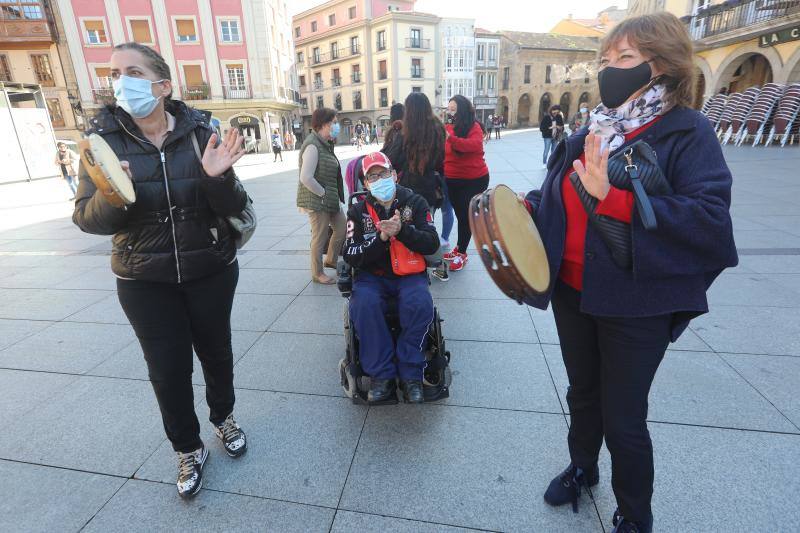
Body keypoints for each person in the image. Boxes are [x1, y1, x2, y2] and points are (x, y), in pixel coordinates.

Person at [522, 13, 737, 533]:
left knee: (624, 418)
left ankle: (635, 514)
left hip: (636, 303)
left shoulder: (688, 131)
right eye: (605, 59)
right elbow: (558, 191)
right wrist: (530, 208)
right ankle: (582, 467)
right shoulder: (592, 126)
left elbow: (710, 220)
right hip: (573, 289)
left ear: (660, 65)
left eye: (624, 59)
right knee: (582, 393)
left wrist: (615, 200)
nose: (609, 70)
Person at [72, 42, 249, 499]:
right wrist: (113, 194)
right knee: (167, 370)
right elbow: (85, 219)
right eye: (114, 74)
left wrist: (218, 177)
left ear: (163, 85)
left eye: (132, 72)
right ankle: (187, 447)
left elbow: (234, 207)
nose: (120, 82)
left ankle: (224, 417)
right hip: (142, 279)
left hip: (209, 267)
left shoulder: (200, 131)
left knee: (217, 353)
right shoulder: (100, 144)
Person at [342, 151, 439, 404]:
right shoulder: (357, 212)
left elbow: (431, 243)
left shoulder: (415, 203)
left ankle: (410, 374)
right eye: (372, 176)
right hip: (372, 276)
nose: (379, 179)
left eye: (383, 174)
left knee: (419, 302)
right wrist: (381, 239)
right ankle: (382, 375)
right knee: (363, 304)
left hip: (409, 274)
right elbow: (350, 253)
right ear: (365, 184)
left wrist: (403, 231)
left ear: (394, 175)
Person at [296, 107, 346, 285]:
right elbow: (305, 177)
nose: (336, 126)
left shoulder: (325, 144)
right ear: (323, 124)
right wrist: (323, 193)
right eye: (334, 123)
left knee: (341, 228)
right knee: (320, 237)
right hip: (318, 201)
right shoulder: (312, 145)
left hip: (330, 200)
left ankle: (330, 260)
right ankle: (317, 273)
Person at [441, 94, 490, 273]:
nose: (450, 112)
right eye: (449, 109)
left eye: (454, 109)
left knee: (464, 217)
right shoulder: (448, 127)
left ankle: (461, 253)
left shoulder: (474, 127)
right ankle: (459, 248)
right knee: (461, 214)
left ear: (462, 111)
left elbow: (474, 145)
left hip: (474, 180)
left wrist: (450, 139)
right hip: (452, 180)